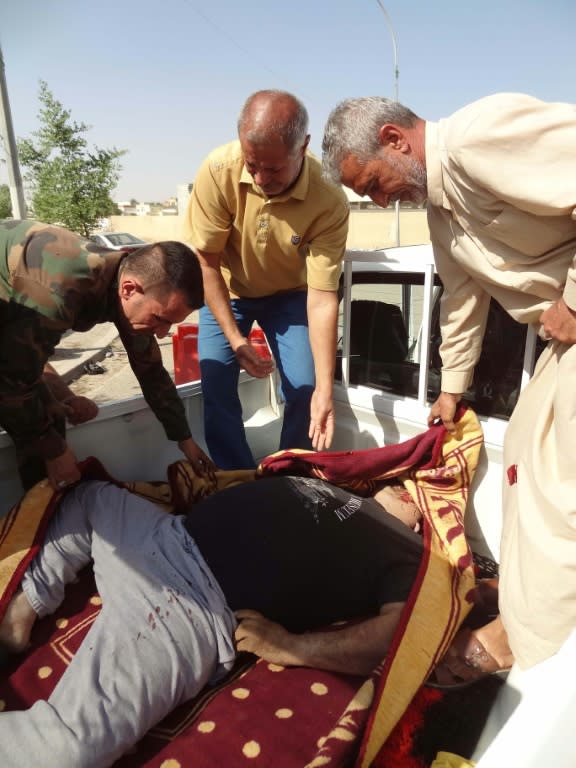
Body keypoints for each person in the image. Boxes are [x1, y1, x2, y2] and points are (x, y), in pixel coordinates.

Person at [321, 92, 576, 673]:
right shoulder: (438, 208)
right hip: (562, 341)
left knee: (563, 492)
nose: (380, 200)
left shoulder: (477, 136)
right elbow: (462, 300)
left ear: (394, 139)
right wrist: (451, 388)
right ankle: (522, 602)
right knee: (523, 462)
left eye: (375, 184)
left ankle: (537, 650)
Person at [0, 473, 424, 767]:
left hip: (189, 602)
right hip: (165, 532)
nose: (405, 490)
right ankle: (26, 607)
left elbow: (400, 632)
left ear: (422, 519)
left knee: (64, 752)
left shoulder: (406, 549)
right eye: (404, 483)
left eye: (415, 493)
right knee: (88, 496)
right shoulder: (343, 490)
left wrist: (292, 647)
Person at [182, 89, 350, 469]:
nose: (259, 179)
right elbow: (206, 263)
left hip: (291, 297)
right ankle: (237, 477)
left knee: (305, 387)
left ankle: (288, 473)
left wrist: (326, 389)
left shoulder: (329, 199)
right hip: (226, 291)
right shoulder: (217, 170)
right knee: (216, 383)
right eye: (252, 164)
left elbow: (323, 297)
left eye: (273, 169)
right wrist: (236, 339)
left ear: (303, 146)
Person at [0, 219, 214, 492]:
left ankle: (47, 514)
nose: (162, 334)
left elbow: (151, 373)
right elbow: (10, 384)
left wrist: (185, 440)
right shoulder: (60, 289)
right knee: (40, 432)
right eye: (160, 319)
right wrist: (53, 451)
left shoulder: (125, 285)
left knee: (48, 416)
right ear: (129, 289)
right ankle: (34, 524)